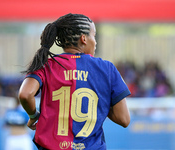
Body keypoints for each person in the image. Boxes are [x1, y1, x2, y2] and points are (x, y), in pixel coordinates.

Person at [18, 13, 131, 150]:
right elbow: (124, 119)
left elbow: (25, 94)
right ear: (84, 38)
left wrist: (33, 115)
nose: (95, 42)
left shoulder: (46, 65)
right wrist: (99, 101)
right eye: (93, 36)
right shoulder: (107, 69)